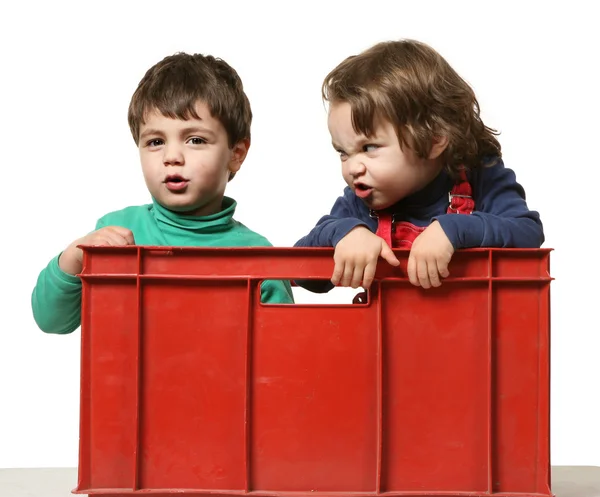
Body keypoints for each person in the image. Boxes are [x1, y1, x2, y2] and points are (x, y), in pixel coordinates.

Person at [32, 52, 294, 334]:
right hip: (126, 380)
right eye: (156, 141)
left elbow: (282, 356)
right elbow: (52, 321)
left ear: (236, 154)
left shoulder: (259, 257)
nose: (172, 156)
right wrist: (75, 257)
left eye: (195, 140)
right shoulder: (116, 234)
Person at [294, 39, 543, 293]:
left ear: (435, 139)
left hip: (473, 330)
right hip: (385, 332)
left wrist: (456, 229)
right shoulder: (359, 203)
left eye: (369, 148)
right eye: (343, 152)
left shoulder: (481, 177)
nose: (353, 168)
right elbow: (298, 273)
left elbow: (528, 234)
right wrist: (342, 233)